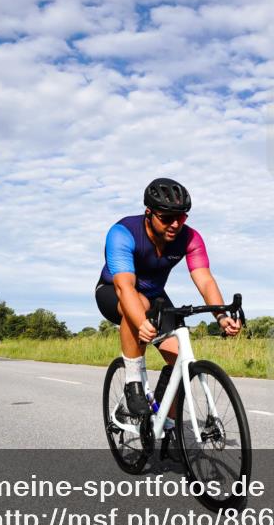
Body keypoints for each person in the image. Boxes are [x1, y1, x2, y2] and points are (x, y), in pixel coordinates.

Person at [95, 178, 242, 422]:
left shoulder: (190, 238)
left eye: (181, 217)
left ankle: (167, 425)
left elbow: (205, 280)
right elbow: (124, 287)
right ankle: (133, 383)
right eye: (167, 218)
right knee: (139, 305)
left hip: (155, 298)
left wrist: (221, 316)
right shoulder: (122, 233)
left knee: (179, 358)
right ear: (149, 213)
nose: (175, 224)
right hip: (113, 291)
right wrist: (141, 322)